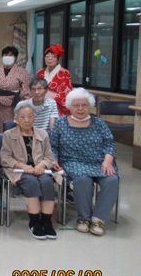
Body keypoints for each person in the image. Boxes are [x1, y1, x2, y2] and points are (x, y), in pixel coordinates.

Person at [50, 88, 118, 236]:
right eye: (76, 105)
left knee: (112, 180)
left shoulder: (99, 123)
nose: (80, 108)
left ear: (90, 106)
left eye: (84, 105)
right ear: (70, 106)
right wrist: (54, 160)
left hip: (99, 162)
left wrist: (108, 161)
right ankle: (84, 218)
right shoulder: (61, 123)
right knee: (82, 180)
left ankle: (98, 219)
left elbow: (109, 144)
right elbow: (52, 146)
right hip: (73, 161)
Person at [1, 102, 58, 240]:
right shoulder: (9, 134)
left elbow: (50, 157)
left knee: (47, 183)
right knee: (31, 182)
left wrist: (42, 165)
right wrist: (23, 166)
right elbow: (5, 157)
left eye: (30, 116)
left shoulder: (43, 134)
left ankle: (47, 222)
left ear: (35, 118)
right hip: (19, 170)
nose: (26, 120)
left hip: (40, 170)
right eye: (22, 117)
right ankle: (34, 222)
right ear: (16, 119)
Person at [0, 46, 31, 133]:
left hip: (13, 106)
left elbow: (26, 90)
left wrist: (23, 105)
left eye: (10, 55)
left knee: (11, 129)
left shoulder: (22, 72)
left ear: (15, 57)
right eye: (5, 55)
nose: (8, 57)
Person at [36, 44, 72, 116]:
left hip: (57, 105)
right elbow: (35, 88)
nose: (50, 59)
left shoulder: (64, 73)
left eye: (53, 57)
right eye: (47, 56)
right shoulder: (40, 72)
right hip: (41, 104)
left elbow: (66, 91)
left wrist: (51, 98)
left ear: (58, 59)